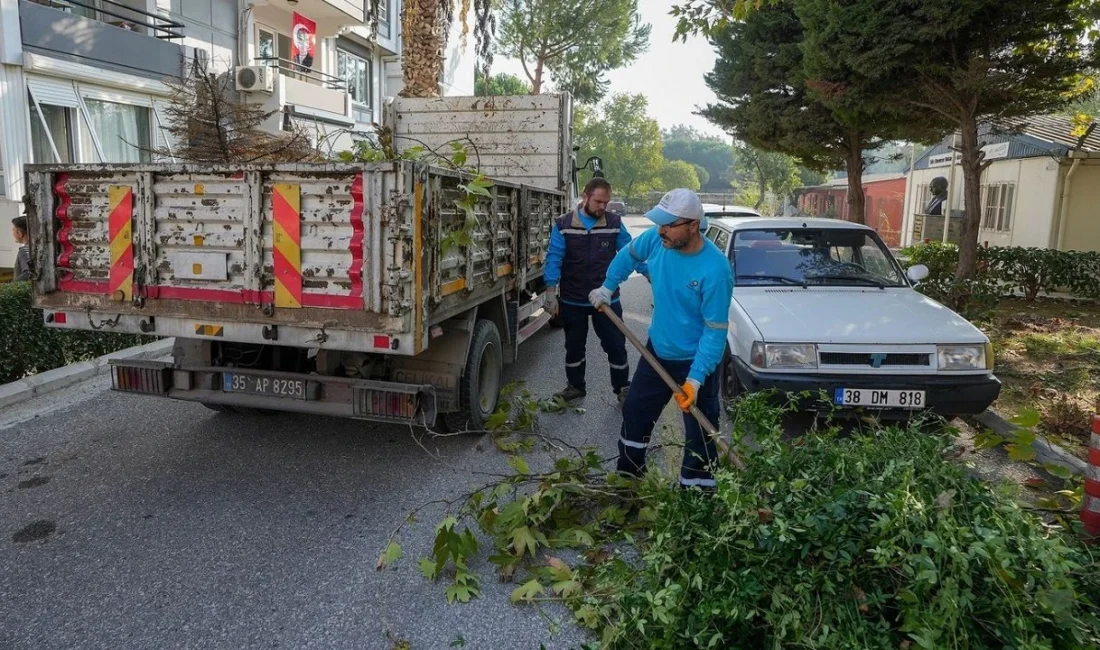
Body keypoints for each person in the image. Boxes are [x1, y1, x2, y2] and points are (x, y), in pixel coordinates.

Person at [589, 188, 733, 490]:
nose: (661, 230)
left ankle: (696, 497)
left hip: (696, 361)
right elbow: (627, 256)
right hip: (657, 353)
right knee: (635, 410)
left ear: (693, 226)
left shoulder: (715, 270)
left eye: (669, 224)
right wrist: (607, 287)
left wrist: (694, 381)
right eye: (659, 223)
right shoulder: (657, 241)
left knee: (701, 433)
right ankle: (629, 479)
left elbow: (714, 332)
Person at [544, 177, 641, 407]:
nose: (602, 207)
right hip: (573, 299)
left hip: (606, 300)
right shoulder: (564, 224)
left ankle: (622, 387)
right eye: (598, 201)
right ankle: (575, 387)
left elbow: (631, 253)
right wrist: (550, 292)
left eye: (605, 203)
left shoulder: (614, 223)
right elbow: (554, 258)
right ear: (585, 197)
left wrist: (651, 276)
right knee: (574, 347)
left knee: (616, 345)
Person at [11, 216, 31, 281]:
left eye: (13, 230)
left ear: (20, 233)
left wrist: (11, 287)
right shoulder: (37, 249)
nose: (12, 233)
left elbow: (28, 273)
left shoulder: (24, 250)